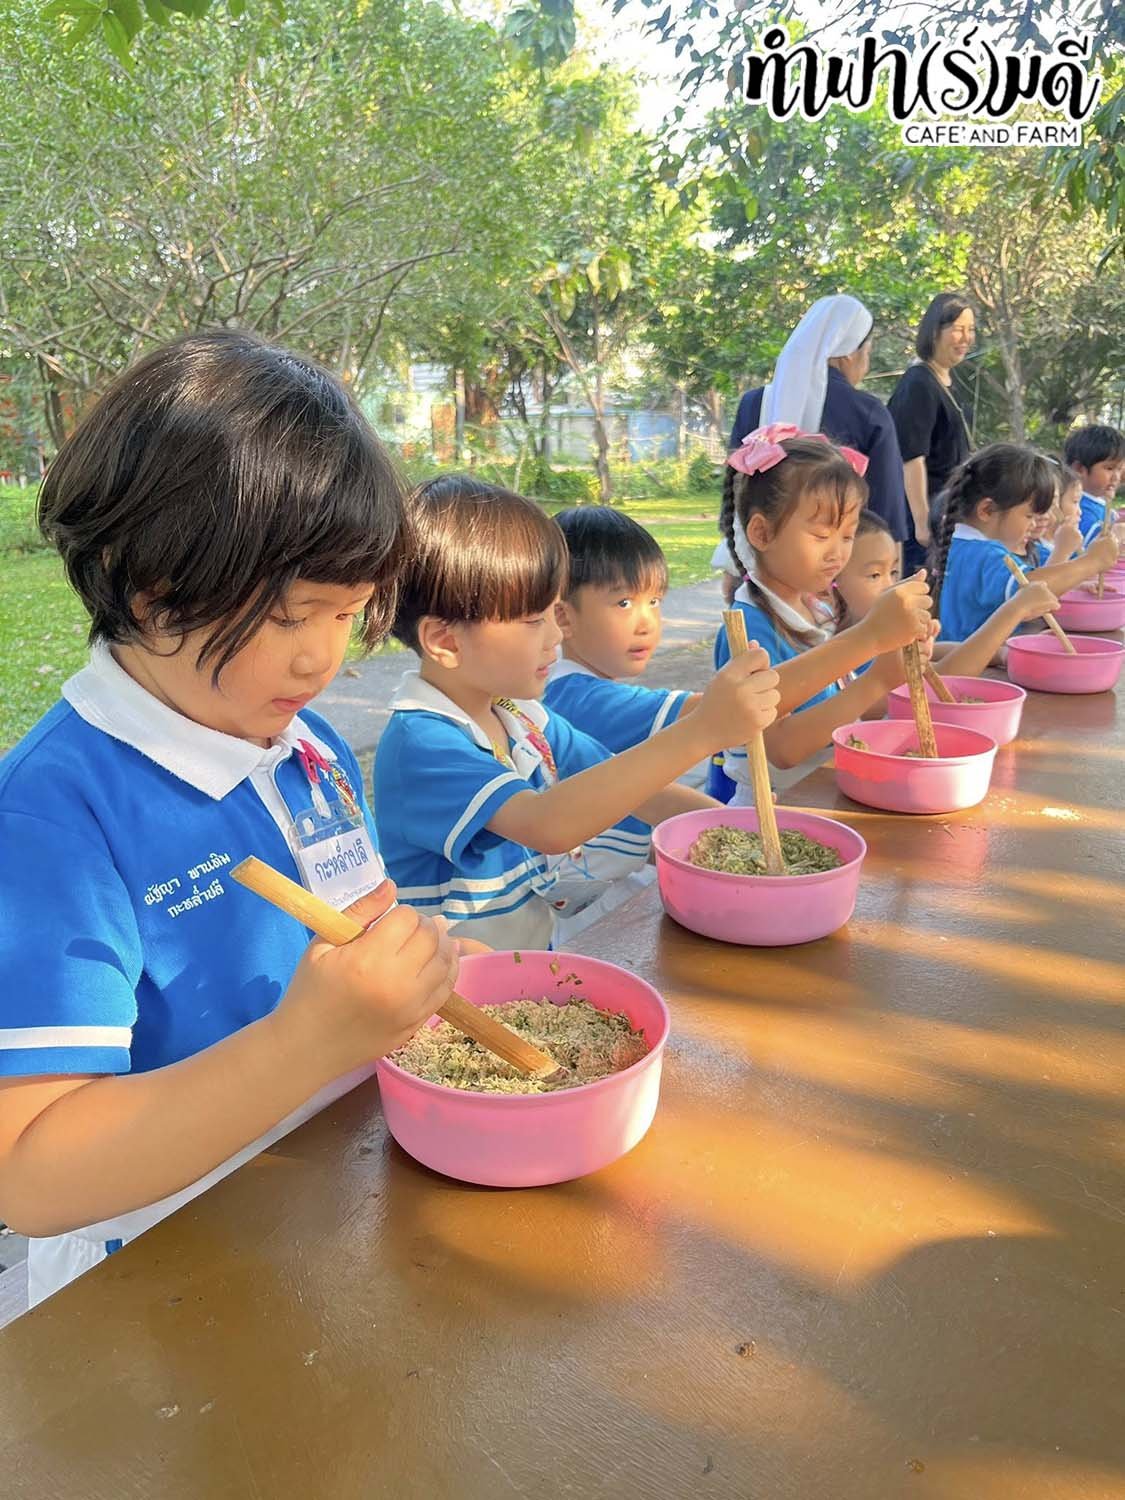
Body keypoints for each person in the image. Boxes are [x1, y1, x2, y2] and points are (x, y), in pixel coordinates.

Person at [0, 330, 461, 1308]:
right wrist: (306, 1042)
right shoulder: (50, 817)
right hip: (160, 1289)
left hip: (325, 1220)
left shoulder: (305, 745)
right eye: (291, 616)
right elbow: (30, 1176)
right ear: (150, 584)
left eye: (347, 613)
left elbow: (351, 927)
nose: (320, 659)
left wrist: (402, 972)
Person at [373, 476, 780, 948]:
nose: (555, 636)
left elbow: (637, 790)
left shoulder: (520, 716)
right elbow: (547, 824)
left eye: (553, 613)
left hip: (529, 964)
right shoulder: (423, 743)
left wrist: (747, 834)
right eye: (533, 621)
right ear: (445, 641)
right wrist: (703, 731)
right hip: (455, 985)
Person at [714, 423, 935, 799]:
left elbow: (850, 708)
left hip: (825, 793)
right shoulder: (747, 629)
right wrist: (875, 677)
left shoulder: (819, 608)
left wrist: (896, 666)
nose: (838, 553)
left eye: (847, 535)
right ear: (762, 533)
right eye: (821, 536)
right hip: (775, 811)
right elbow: (782, 750)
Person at [716, 294, 910, 596]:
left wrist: (733, 564)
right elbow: (887, 515)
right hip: (843, 583)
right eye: (868, 353)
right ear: (849, 353)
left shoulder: (754, 403)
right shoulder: (868, 413)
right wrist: (890, 586)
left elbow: (737, 492)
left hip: (757, 570)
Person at [834, 508, 1059, 675]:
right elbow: (947, 676)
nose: (891, 585)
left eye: (893, 572)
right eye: (874, 575)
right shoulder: (847, 649)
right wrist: (1014, 610)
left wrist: (1000, 654)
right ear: (832, 580)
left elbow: (935, 652)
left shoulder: (878, 631)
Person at [929, 444, 1119, 642]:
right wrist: (1091, 562)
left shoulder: (959, 543)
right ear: (987, 510)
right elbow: (1030, 589)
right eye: (1029, 516)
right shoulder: (984, 554)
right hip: (983, 662)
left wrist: (1075, 582)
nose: (1034, 524)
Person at [546, 506, 700, 748]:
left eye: (654, 601)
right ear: (563, 618)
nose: (647, 624)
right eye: (624, 603)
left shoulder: (555, 685)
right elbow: (718, 712)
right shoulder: (584, 701)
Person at [888, 293, 976, 575]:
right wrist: (922, 521)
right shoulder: (919, 383)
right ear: (934, 331)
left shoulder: (948, 379)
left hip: (948, 512)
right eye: (958, 329)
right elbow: (911, 457)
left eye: (971, 330)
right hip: (923, 521)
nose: (966, 338)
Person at [1062, 423, 1125, 544]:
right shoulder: (1079, 510)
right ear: (1079, 469)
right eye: (1109, 468)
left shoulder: (1098, 502)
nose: (1116, 477)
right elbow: (1092, 548)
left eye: (1119, 469)